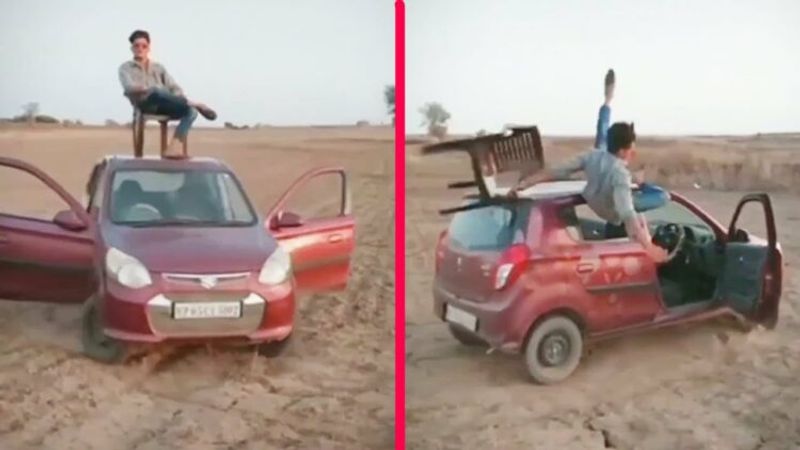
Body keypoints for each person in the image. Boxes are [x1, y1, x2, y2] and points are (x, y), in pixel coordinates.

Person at [512, 71, 668, 263]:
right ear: (622, 151)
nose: (633, 154)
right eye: (631, 150)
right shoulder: (620, 175)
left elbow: (558, 170)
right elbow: (627, 213)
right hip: (613, 212)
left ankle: (608, 100)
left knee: (601, 136)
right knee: (661, 196)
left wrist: (526, 183)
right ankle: (639, 182)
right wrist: (649, 247)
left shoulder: (594, 155)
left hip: (596, 196)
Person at [118, 29, 217, 158]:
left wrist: (178, 96)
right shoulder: (125, 68)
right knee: (155, 91)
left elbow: (173, 87)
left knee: (191, 111)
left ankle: (174, 146)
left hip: (165, 102)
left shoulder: (158, 68)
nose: (140, 49)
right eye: (136, 46)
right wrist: (147, 89)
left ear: (149, 48)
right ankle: (196, 103)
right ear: (132, 48)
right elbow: (128, 87)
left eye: (144, 46)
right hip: (145, 103)